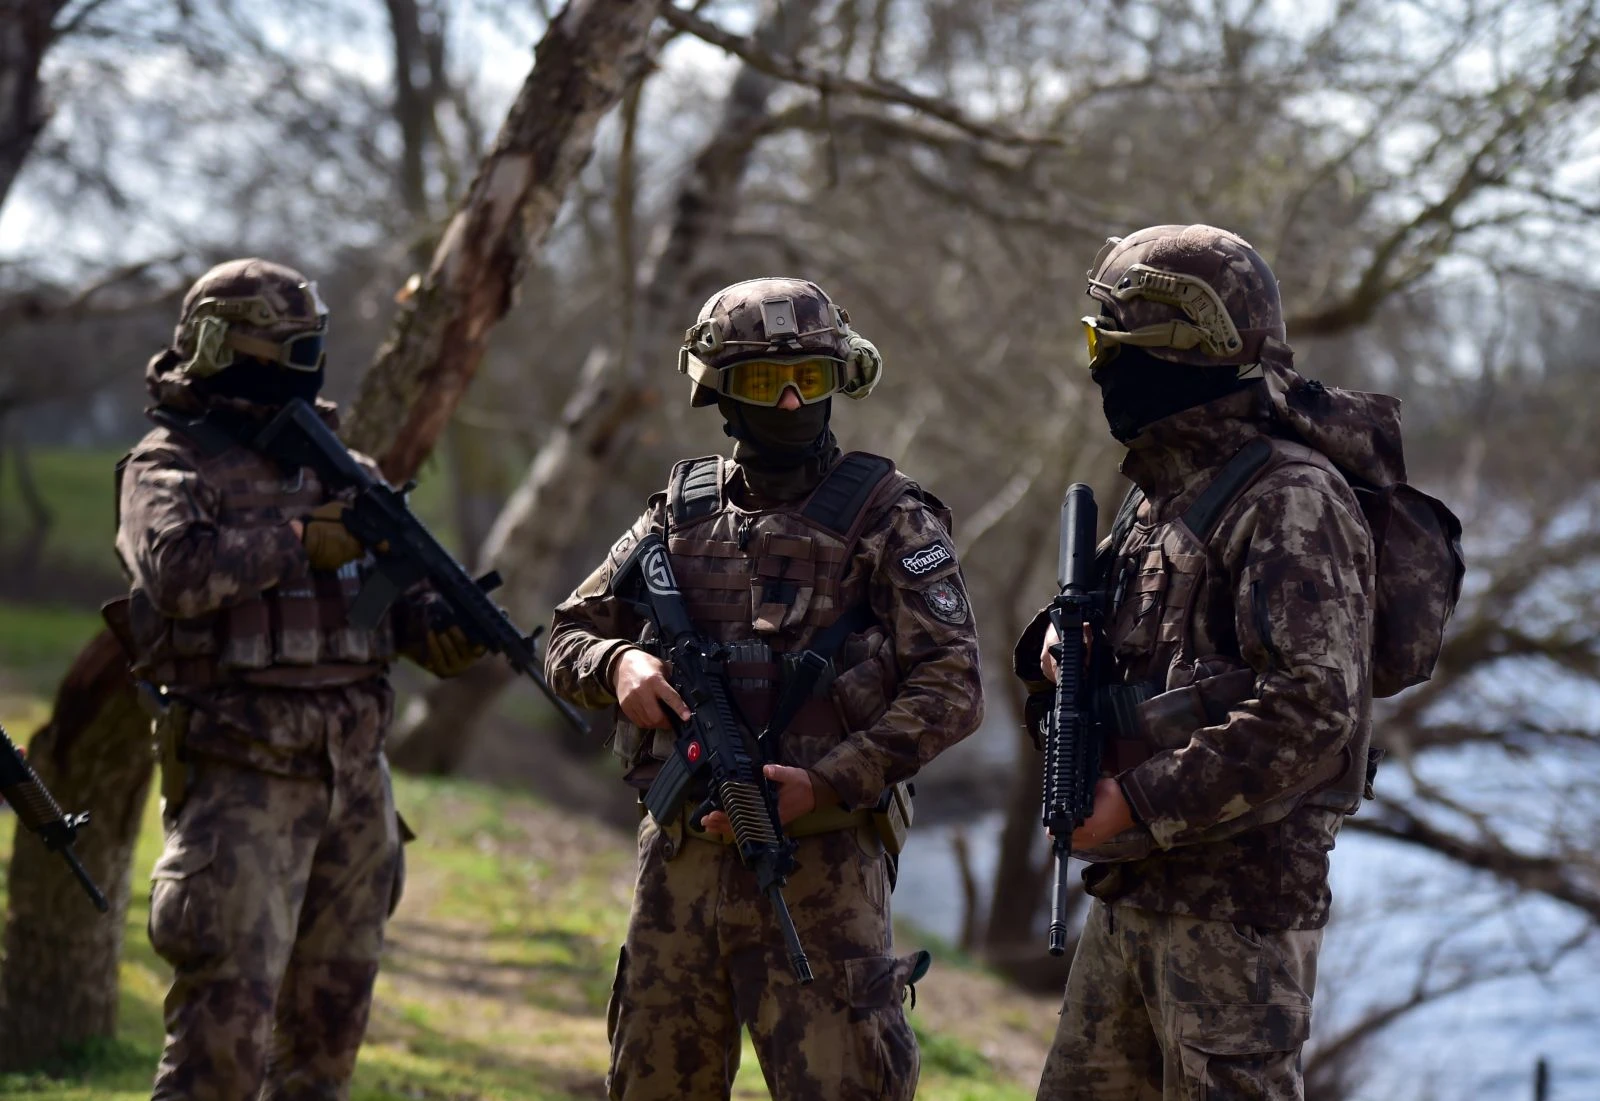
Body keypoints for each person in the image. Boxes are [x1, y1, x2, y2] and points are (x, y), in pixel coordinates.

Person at [545, 276, 984, 1101]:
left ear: (840, 379)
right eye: (762, 383)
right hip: (680, 867)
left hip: (822, 868)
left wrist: (829, 780)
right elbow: (567, 634)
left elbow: (953, 683)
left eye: (809, 380)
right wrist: (618, 666)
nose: (788, 401)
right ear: (717, 389)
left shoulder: (890, 518)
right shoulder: (675, 515)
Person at [1017, 225, 1378, 1100]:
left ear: (1180, 353)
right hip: (1137, 886)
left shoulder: (1291, 497)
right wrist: (1057, 651)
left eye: (1115, 346)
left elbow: (1312, 710)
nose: (1101, 368)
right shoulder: (1162, 490)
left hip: (1236, 918)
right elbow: (1114, 640)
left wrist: (1135, 799)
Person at [114, 258, 483, 1101]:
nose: (302, 360)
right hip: (241, 780)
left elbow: (396, 609)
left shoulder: (344, 470)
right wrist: (295, 541)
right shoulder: (169, 463)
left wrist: (446, 631)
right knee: (221, 1049)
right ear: (216, 344)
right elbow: (175, 574)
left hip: (355, 786)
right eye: (281, 344)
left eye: (308, 343)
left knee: (324, 1046)